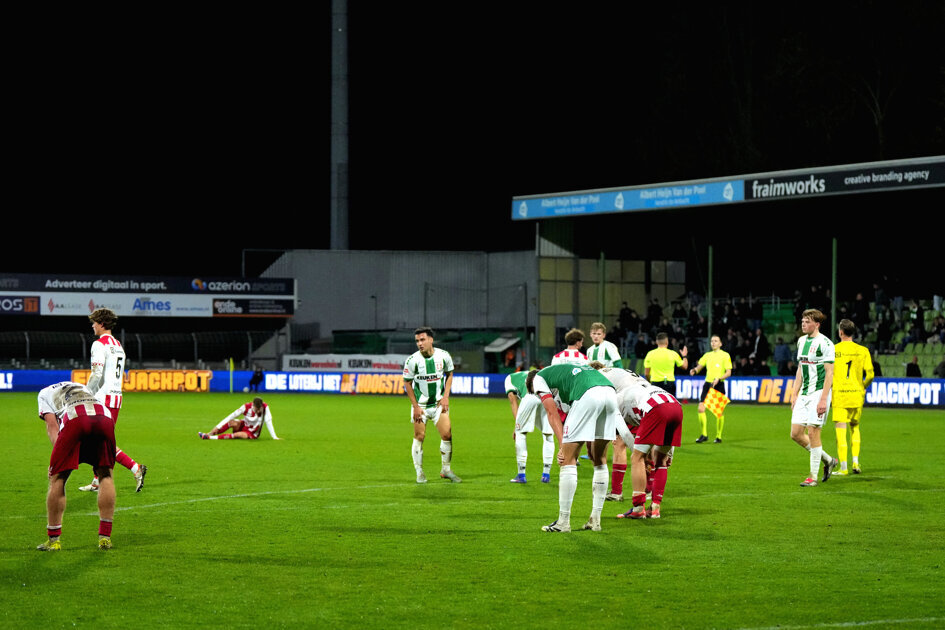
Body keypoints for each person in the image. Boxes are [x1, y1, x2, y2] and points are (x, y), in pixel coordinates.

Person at [527, 363, 628, 533]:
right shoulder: (561, 376)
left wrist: (562, 446)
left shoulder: (538, 379)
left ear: (531, 385)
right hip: (610, 393)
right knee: (599, 459)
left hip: (588, 394)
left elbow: (551, 413)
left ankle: (563, 522)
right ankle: (595, 520)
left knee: (567, 460)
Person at [36, 381, 117, 551]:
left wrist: (60, 459)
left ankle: (54, 540)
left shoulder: (44, 393)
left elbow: (52, 426)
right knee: (105, 474)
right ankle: (105, 538)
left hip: (75, 418)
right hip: (104, 416)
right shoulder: (80, 385)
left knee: (58, 477)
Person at [79, 308, 147, 494]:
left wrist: (85, 394)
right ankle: (96, 480)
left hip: (102, 398)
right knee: (100, 441)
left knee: (100, 442)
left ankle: (135, 468)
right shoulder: (118, 345)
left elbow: (97, 373)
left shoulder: (99, 345)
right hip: (116, 398)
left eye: (94, 322)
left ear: (102, 324)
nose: (92, 325)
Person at [609, 370, 683, 520]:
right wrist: (669, 455)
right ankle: (655, 508)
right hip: (676, 407)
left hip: (655, 410)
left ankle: (638, 508)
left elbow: (623, 433)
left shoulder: (616, 398)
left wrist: (640, 454)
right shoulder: (644, 387)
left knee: (637, 458)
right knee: (661, 460)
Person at [402, 327, 461, 483]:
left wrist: (446, 396)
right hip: (420, 406)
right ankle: (419, 472)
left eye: (422, 340)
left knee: (447, 435)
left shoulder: (443, 356)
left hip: (438, 404)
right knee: (419, 436)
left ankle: (446, 470)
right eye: (417, 341)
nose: (419, 344)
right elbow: (407, 383)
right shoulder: (412, 360)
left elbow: (450, 374)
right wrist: (415, 406)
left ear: (431, 340)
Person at [790, 309, 840, 487]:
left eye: (807, 321)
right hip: (804, 393)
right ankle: (829, 460)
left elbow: (829, 373)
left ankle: (813, 476)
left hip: (819, 393)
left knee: (812, 432)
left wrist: (823, 399)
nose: (803, 324)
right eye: (802, 321)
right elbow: (800, 369)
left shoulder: (826, 343)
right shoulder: (801, 341)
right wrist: (794, 393)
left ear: (817, 324)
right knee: (796, 434)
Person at [831, 319, 874, 475]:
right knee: (855, 427)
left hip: (840, 395)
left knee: (840, 432)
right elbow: (870, 374)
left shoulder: (833, 350)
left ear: (841, 332)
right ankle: (855, 462)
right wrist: (862, 386)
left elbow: (828, 373)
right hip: (856, 395)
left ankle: (843, 468)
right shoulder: (862, 351)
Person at [505, 370, 555, 484]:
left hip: (530, 396)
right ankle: (546, 475)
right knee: (548, 434)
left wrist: (517, 425)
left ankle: (521, 475)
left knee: (520, 434)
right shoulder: (535, 374)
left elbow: (513, 402)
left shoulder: (509, 379)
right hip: (545, 395)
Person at [689, 334, 732, 443]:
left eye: (716, 341)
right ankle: (704, 435)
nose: (713, 343)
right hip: (708, 384)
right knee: (700, 408)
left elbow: (728, 372)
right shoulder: (707, 355)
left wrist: (719, 378)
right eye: (712, 341)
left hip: (718, 384)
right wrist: (695, 370)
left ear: (720, 343)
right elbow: (700, 365)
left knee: (718, 412)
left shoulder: (725, 356)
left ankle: (718, 436)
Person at [198, 397, 280, 440]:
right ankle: (209, 433)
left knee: (238, 435)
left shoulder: (265, 407)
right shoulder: (245, 407)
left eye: (260, 408)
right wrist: (218, 427)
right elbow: (231, 416)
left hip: (253, 433)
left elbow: (268, 421)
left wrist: (274, 437)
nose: (258, 410)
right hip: (244, 425)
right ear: (253, 405)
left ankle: (210, 438)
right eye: (257, 408)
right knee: (231, 422)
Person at [643, 332, 688, 396]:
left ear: (657, 342)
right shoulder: (673, 353)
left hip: (655, 383)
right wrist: (684, 356)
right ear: (667, 342)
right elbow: (685, 366)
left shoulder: (650, 354)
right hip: (669, 383)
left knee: (656, 405)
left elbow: (646, 374)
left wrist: (650, 382)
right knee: (671, 405)